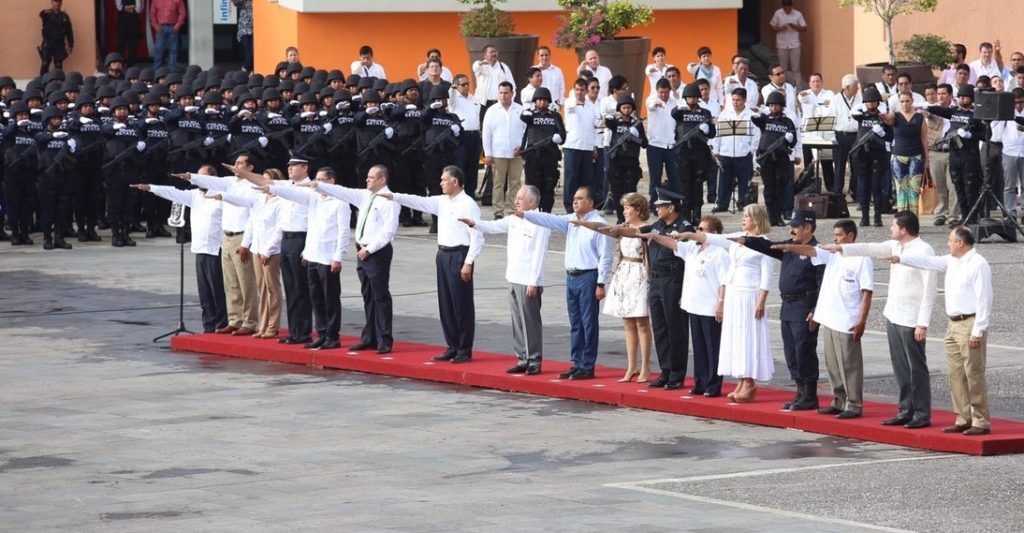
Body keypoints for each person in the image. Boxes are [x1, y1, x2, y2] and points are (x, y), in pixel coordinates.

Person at [829, 211, 937, 429]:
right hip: (894, 314)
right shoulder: (896, 246)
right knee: (900, 367)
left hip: (911, 318)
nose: (891, 229)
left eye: (894, 226)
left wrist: (922, 323)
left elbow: (930, 290)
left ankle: (922, 413)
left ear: (904, 229)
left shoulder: (924, 250)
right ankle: (905, 409)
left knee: (916, 368)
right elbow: (871, 247)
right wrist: (842, 248)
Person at [893, 226, 993, 436]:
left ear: (961, 243)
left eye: (950, 240)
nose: (947, 244)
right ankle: (963, 417)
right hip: (953, 323)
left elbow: (984, 299)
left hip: (969, 323)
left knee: (973, 374)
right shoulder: (951, 261)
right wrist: (900, 259)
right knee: (956, 374)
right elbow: (929, 262)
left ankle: (980, 420)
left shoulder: (978, 263)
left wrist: (978, 330)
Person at [771, 219, 873, 419]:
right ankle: (839, 399)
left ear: (851, 236)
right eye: (834, 235)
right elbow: (812, 252)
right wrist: (790, 248)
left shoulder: (861, 258)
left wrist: (862, 320)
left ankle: (854, 404)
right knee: (833, 363)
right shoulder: (834, 254)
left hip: (848, 319)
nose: (835, 238)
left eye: (839, 235)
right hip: (831, 316)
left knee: (849, 364)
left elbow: (867, 292)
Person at [672, 204, 774, 403]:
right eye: (743, 215)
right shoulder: (738, 237)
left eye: (747, 216)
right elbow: (713, 238)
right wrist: (690, 235)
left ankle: (749, 381)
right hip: (735, 293)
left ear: (757, 219)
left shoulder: (763, 242)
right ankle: (742, 379)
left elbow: (767, 275)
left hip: (750, 293)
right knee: (736, 338)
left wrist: (761, 300)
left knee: (748, 337)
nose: (743, 219)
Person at [385, 166, 484, 363]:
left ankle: (464, 348)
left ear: (455, 182)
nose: (441, 183)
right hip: (443, 254)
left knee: (461, 304)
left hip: (459, 254)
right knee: (446, 302)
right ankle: (452, 345)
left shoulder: (468, 204)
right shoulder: (441, 201)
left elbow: (478, 236)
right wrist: (394, 196)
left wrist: (468, 262)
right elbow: (418, 201)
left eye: (444, 180)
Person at [734, 210, 826, 411]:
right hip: (788, 305)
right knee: (791, 351)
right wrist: (746, 240)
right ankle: (799, 392)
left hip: (804, 306)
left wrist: (816, 309)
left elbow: (822, 283)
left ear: (808, 228)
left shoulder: (815, 251)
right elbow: (769, 247)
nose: (791, 230)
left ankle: (810, 395)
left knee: (804, 350)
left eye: (796, 226)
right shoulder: (790, 247)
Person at [522, 186, 613, 380]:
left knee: (588, 323)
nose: (575, 201)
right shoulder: (572, 221)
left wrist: (601, 283)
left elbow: (606, 257)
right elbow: (549, 219)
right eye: (574, 198)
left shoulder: (599, 224)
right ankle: (576, 362)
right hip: (571, 277)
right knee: (575, 323)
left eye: (580, 198)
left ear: (590, 202)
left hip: (588, 276)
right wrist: (526, 215)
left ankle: (587, 365)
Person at [309, 164, 400, 353]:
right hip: (362, 251)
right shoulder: (364, 195)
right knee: (368, 296)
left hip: (376, 252)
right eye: (367, 177)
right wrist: (317, 185)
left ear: (382, 180)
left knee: (381, 296)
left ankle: (385, 339)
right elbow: (341, 191)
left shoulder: (390, 201)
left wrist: (369, 249)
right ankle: (370, 337)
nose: (367, 180)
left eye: (371, 177)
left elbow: (388, 232)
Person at [461, 185, 552, 375]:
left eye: (520, 198)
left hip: (528, 279)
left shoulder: (541, 222)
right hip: (513, 276)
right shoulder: (513, 219)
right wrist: (474, 224)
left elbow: (539, 255)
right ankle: (522, 357)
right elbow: (493, 227)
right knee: (517, 320)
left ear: (532, 202)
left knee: (530, 321)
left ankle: (534, 359)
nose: (516, 200)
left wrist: (533, 281)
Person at [259, 167, 351, 350]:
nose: (315, 183)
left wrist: (338, 257)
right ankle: (322, 333)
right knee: (316, 297)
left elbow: (343, 232)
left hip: (328, 256)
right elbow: (313, 228)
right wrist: (307, 251)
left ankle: (332, 336)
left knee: (330, 298)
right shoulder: (315, 199)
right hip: (313, 254)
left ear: (332, 182)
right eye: (315, 179)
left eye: (321, 180)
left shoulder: (340, 203)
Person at [130, 165, 227, 333]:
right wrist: (151, 188)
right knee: (204, 291)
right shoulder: (195, 195)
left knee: (217, 289)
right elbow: (173, 192)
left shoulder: (221, 196)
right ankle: (208, 324)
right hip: (200, 248)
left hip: (215, 247)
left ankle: (221, 323)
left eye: (201, 176)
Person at [174, 154, 261, 337]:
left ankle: (250, 321)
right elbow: (210, 180)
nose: (235, 166)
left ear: (250, 167)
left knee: (246, 282)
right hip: (227, 236)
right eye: (235, 163)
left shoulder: (254, 185)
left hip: (242, 235)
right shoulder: (229, 182)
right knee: (231, 284)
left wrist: (247, 243)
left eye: (240, 163)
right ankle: (234, 320)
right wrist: (190, 177)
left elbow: (253, 215)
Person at [646, 214, 729, 396]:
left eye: (702, 229)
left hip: (710, 305)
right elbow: (673, 244)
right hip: (695, 304)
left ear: (713, 233)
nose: (697, 231)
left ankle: (713, 385)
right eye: (698, 228)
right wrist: (652, 234)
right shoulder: (693, 248)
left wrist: (721, 304)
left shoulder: (720, 252)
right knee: (699, 347)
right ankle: (700, 382)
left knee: (712, 347)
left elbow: (725, 281)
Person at [222, 168, 287, 340]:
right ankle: (263, 325)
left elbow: (279, 229)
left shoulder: (280, 201)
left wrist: (268, 250)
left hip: (271, 251)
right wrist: (246, 245)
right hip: (257, 248)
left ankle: (273, 326)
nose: (261, 184)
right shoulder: (259, 199)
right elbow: (251, 223)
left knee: (272, 288)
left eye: (265, 181)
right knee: (262, 289)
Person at [927, 85, 986, 224]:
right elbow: (940, 110)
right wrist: (927, 107)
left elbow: (986, 135)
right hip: (955, 156)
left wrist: (971, 135)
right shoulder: (954, 112)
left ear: (971, 98)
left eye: (964, 97)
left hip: (969, 155)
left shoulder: (977, 114)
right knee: (959, 188)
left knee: (970, 188)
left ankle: (972, 218)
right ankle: (964, 217)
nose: (961, 99)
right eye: (959, 97)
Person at [752, 91, 799, 226]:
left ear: (781, 106)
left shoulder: (787, 121)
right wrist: (759, 113)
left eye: (776, 105)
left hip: (781, 159)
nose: (773, 108)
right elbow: (755, 120)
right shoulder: (766, 119)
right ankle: (771, 216)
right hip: (766, 158)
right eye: (771, 105)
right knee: (769, 188)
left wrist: (790, 138)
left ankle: (778, 216)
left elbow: (793, 141)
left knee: (780, 187)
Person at [672, 84, 716, 221]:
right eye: (689, 98)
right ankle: (685, 216)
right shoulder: (681, 112)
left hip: (700, 153)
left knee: (698, 184)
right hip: (683, 153)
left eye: (694, 97)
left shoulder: (705, 113)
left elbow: (712, 133)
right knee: (684, 185)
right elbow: (673, 114)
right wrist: (680, 106)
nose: (692, 100)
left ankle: (697, 215)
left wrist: (707, 129)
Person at [481, 81, 526, 218]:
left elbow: (526, 131)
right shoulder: (492, 111)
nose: (503, 96)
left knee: (515, 183)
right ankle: (498, 211)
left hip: (516, 153)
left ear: (512, 93)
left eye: (506, 93)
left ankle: (514, 209)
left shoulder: (520, 110)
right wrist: (487, 153)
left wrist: (523, 147)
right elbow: (486, 133)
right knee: (498, 184)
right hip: (498, 153)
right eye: (501, 93)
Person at [850, 87, 893, 227]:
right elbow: (853, 113)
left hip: (878, 155)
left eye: (872, 102)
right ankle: (864, 216)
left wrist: (881, 133)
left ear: (877, 103)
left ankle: (877, 217)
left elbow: (890, 137)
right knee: (863, 186)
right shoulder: (862, 116)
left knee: (876, 187)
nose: (870, 104)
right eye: (867, 102)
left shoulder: (883, 118)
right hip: (862, 155)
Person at [34, 106, 76, 250]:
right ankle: (47, 238)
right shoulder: (42, 135)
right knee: (47, 209)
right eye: (54, 118)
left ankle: (59, 238)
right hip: (47, 177)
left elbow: (72, 155)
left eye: (59, 118)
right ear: (47, 120)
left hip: (63, 175)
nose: (57, 121)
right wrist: (52, 136)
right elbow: (39, 139)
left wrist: (72, 147)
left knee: (62, 208)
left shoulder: (65, 136)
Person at [519, 87, 566, 214]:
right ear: (535, 101)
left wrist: (559, 137)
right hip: (532, 157)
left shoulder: (555, 116)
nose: (542, 103)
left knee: (548, 187)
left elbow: (562, 134)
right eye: (539, 100)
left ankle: (546, 213)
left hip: (550, 156)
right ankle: (532, 213)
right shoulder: (529, 115)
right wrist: (525, 114)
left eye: (545, 100)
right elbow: (523, 119)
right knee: (532, 188)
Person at [712, 88, 759, 213]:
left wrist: (751, 151)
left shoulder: (751, 115)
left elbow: (756, 135)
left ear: (744, 100)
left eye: (738, 100)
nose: (735, 102)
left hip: (744, 153)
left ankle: (743, 203)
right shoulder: (724, 114)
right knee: (724, 181)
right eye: (733, 100)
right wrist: (716, 149)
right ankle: (722, 203)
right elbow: (717, 133)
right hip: (725, 152)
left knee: (744, 180)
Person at [886, 92, 927, 214]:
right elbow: (888, 120)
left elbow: (924, 139)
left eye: (907, 101)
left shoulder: (919, 117)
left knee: (914, 189)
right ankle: (902, 218)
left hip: (916, 155)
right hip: (898, 155)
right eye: (902, 101)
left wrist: (927, 159)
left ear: (912, 101)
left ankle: (913, 219)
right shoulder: (895, 116)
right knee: (900, 189)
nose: (905, 104)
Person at [562, 78, 599, 213]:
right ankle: (569, 206)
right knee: (571, 177)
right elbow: (571, 107)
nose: (579, 92)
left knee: (587, 178)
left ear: (586, 91)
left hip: (587, 146)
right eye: (577, 89)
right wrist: (576, 101)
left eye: (582, 90)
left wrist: (594, 145)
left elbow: (593, 127)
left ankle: (585, 205)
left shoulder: (590, 106)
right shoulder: (569, 102)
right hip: (572, 145)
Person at [927, 83, 959, 226]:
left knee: (952, 185)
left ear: (951, 95)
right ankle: (941, 213)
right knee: (939, 185)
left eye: (943, 94)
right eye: (938, 94)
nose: (940, 96)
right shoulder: (933, 109)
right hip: (936, 152)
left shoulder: (957, 110)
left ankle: (953, 215)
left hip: (953, 151)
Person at [449, 74, 482, 199]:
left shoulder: (474, 99)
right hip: (461, 136)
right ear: (456, 86)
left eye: (467, 84)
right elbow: (450, 99)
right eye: (463, 84)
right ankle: (458, 194)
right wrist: (452, 89)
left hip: (474, 135)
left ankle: (470, 194)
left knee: (473, 167)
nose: (466, 86)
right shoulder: (454, 99)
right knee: (460, 166)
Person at [646, 79, 679, 200]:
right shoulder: (651, 100)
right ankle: (653, 202)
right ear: (657, 91)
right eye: (661, 92)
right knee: (655, 176)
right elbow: (651, 105)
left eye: (666, 92)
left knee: (674, 176)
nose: (663, 95)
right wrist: (657, 103)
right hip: (655, 145)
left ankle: (675, 202)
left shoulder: (675, 102)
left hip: (671, 145)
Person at [830, 74, 862, 196]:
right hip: (840, 135)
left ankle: (854, 191)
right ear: (847, 87)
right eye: (855, 86)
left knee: (856, 164)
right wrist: (832, 138)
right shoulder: (835, 99)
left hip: (856, 135)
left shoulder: (859, 99)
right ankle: (838, 191)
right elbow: (831, 118)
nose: (857, 88)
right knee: (839, 165)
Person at [998, 88, 1024, 221]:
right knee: (1009, 185)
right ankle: (1010, 213)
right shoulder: (1006, 112)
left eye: (1021, 102)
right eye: (1016, 102)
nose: (1018, 105)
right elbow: (997, 130)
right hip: (1009, 151)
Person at [473, 45, 515, 122]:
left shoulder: (503, 67)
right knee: (483, 126)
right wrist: (482, 63)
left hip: (499, 103)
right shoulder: (480, 66)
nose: (494, 54)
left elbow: (512, 86)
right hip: (483, 103)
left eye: (495, 51)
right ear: (485, 55)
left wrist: (510, 101)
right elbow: (475, 67)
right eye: (491, 52)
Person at [769, 0, 806, 86]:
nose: (787, 11)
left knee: (796, 69)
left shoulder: (798, 14)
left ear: (792, 6)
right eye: (786, 9)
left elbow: (804, 28)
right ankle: (784, 85)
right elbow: (771, 26)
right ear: (782, 7)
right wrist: (780, 28)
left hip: (795, 44)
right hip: (782, 44)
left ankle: (798, 88)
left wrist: (795, 26)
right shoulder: (778, 13)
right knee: (783, 68)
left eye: (789, 9)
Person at [39, 0, 74, 76]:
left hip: (59, 43)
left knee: (58, 65)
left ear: (61, 3)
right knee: (45, 63)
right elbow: (41, 14)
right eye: (55, 2)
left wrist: (70, 44)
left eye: (59, 2)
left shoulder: (64, 16)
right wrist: (44, 11)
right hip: (48, 43)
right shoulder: (47, 14)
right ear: (52, 2)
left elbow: (69, 31)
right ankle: (42, 83)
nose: (57, 4)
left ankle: (58, 82)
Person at [150, 0, 186, 72]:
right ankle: (156, 69)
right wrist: (156, 26)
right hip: (161, 27)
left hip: (173, 27)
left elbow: (182, 13)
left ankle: (172, 70)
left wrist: (177, 25)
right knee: (159, 49)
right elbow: (152, 14)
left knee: (173, 50)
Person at [115, 0, 142, 66]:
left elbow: (138, 9)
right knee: (121, 43)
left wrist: (125, 8)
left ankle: (131, 64)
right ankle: (118, 63)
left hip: (134, 21)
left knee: (133, 43)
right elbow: (119, 7)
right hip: (123, 21)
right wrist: (132, 7)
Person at [233, 0, 253, 72]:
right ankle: (246, 69)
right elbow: (236, 2)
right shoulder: (244, 2)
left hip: (257, 31)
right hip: (245, 31)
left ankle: (246, 69)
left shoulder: (259, 3)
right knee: (249, 52)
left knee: (253, 52)